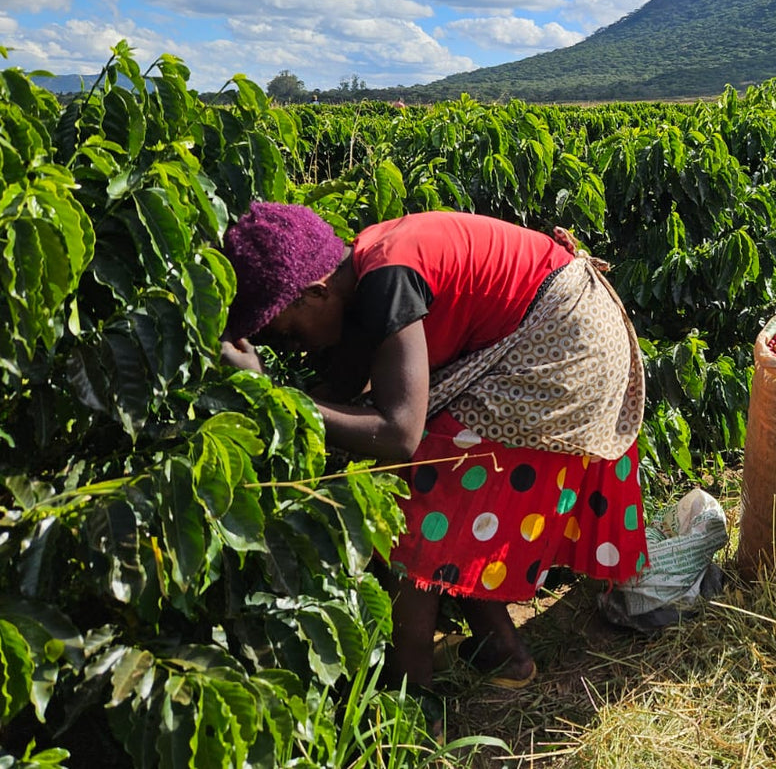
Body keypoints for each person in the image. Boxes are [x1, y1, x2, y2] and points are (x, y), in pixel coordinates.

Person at [218, 203, 649, 732]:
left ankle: (410, 705)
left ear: (315, 292)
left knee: (420, 490)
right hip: (556, 324)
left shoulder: (388, 279)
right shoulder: (364, 273)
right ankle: (501, 652)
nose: (296, 348)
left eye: (289, 334)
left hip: (562, 341)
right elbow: (344, 392)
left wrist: (269, 392)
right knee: (438, 484)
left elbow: (398, 434)